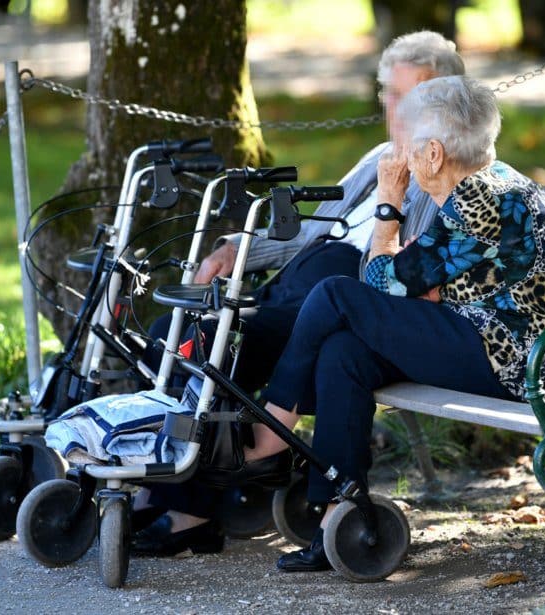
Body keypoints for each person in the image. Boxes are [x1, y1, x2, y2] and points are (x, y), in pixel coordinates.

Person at [133, 30, 467, 555]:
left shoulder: (439, 172)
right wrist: (231, 252)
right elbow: (310, 233)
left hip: (340, 307)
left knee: (221, 342)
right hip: (293, 291)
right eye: (389, 94)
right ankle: (165, 481)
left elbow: (410, 272)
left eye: (407, 95)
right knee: (167, 333)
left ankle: (188, 511)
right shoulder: (379, 156)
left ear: (444, 98)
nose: (394, 108)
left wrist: (396, 198)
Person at [243, 74, 545, 572]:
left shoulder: (480, 200)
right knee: (343, 354)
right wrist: (412, 277)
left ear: (433, 154)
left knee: (335, 295)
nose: (400, 154)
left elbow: (377, 282)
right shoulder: (480, 186)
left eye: (407, 144)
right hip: (481, 336)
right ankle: (339, 513)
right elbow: (409, 282)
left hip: (517, 360)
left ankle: (272, 427)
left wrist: (389, 203)